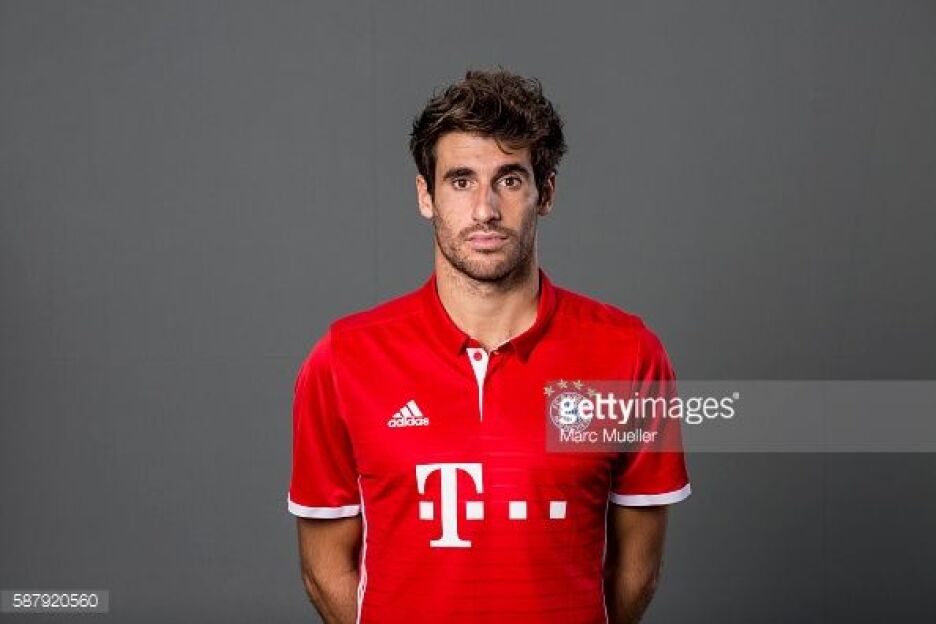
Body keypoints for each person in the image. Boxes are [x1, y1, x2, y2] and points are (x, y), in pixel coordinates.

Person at [288, 68, 691, 624]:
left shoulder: (628, 356)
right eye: (460, 181)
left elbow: (636, 570)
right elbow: (323, 567)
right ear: (425, 195)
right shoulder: (344, 359)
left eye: (509, 179)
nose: (485, 210)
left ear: (546, 193)